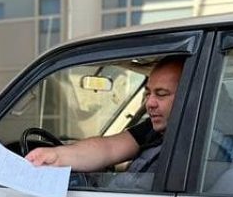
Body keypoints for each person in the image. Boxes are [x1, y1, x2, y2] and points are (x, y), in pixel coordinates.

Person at [25, 56, 185, 186]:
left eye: (162, 94)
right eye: (148, 93)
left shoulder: (196, 147)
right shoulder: (159, 127)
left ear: (189, 95)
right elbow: (109, 148)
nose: (149, 103)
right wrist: (57, 155)